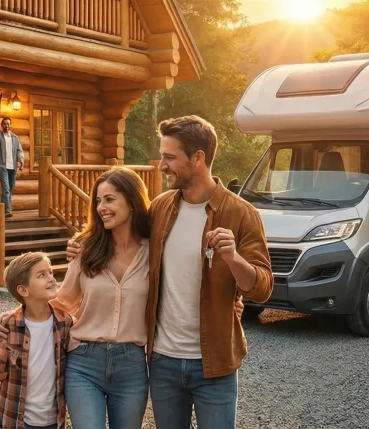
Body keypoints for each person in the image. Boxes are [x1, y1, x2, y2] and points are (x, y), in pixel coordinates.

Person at [67, 116, 272, 429]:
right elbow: (122, 230)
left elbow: (262, 289)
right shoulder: (160, 209)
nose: (162, 165)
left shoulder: (241, 214)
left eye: (169, 157)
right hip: (162, 361)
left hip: (215, 364)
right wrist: (82, 244)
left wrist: (233, 260)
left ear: (198, 159)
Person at [0, 167, 154, 429]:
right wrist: (15, 316)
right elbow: (63, 301)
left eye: (109, 199)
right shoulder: (87, 247)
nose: (101, 207)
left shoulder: (153, 253)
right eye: (98, 201)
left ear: (132, 200)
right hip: (84, 361)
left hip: (132, 365)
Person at [0, 252, 72, 429]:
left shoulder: (65, 323)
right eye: (42, 275)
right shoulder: (7, 325)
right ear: (23, 290)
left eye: (50, 273)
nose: (51, 279)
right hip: (14, 419)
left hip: (53, 421)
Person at [0, 117, 24, 217]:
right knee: (6, 189)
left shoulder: (15, 138)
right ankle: (7, 211)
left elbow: (20, 150)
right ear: (1, 125)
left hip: (13, 166)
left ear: (11, 125)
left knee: (10, 189)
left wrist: (21, 160)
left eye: (8, 124)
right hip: (2, 166)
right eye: (5, 124)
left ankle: (3, 210)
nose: (6, 126)